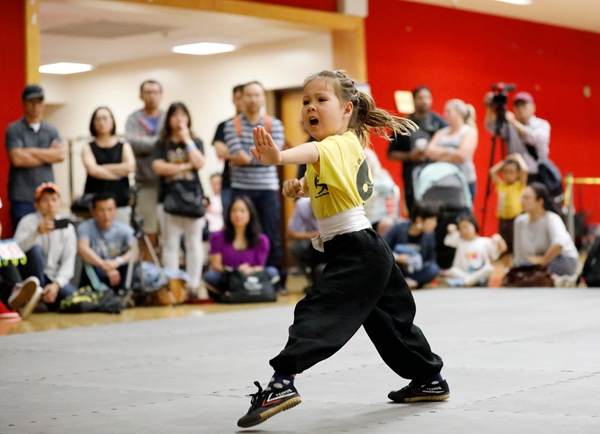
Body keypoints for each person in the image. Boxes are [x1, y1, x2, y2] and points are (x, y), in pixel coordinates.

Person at [236, 70, 448, 429]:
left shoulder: (338, 143)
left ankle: (282, 382)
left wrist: (278, 157)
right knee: (392, 322)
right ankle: (429, 380)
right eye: (306, 101)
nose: (310, 107)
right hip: (365, 249)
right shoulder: (342, 147)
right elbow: (327, 177)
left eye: (321, 100)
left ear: (347, 109)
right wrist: (300, 187)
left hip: (357, 250)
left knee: (317, 310)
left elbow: (315, 152)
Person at [223, 81, 286, 285]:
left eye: (257, 95)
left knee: (271, 233)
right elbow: (235, 153)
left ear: (263, 98)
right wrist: (261, 158)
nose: (252, 99)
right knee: (242, 234)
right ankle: (243, 278)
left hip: (267, 189)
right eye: (248, 95)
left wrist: (250, 159)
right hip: (242, 188)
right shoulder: (231, 125)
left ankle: (276, 279)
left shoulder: (274, 124)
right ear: (241, 99)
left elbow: (274, 156)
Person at [152, 102, 206, 297]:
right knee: (170, 244)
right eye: (175, 115)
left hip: (193, 198)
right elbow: (158, 167)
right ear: (169, 120)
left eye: (183, 115)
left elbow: (199, 162)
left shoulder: (196, 141)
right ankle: (173, 285)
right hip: (168, 199)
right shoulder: (162, 143)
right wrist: (185, 167)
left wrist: (186, 140)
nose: (179, 119)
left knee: (194, 243)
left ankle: (193, 286)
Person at [4, 84, 66, 230]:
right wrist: (48, 154)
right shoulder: (14, 129)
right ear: (23, 103)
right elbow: (17, 159)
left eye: (39, 102)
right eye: (31, 101)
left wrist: (30, 151)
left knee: (47, 236)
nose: (36, 106)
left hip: (47, 197)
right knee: (24, 238)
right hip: (22, 196)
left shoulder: (51, 130)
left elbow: (61, 155)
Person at [11, 182, 77, 315]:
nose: (50, 204)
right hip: (30, 277)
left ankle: (46, 297)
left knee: (73, 298)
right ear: (37, 204)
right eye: (45, 200)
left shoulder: (67, 228)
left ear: (60, 202)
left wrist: (56, 285)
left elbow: (68, 263)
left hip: (52, 278)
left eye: (54, 199)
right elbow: (14, 252)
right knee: (35, 250)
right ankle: (36, 296)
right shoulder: (27, 221)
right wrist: (36, 233)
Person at [204, 196, 279, 299]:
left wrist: (250, 270)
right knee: (210, 276)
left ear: (249, 214)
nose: (238, 214)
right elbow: (216, 265)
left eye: (242, 211)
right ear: (229, 214)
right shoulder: (217, 237)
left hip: (251, 276)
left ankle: (239, 293)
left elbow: (260, 266)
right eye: (234, 210)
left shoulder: (261, 240)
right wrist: (236, 271)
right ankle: (229, 293)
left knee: (272, 272)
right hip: (229, 277)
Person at [387, 86, 447, 216]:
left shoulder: (440, 123)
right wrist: (410, 156)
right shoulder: (403, 124)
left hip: (437, 176)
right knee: (415, 211)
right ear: (414, 100)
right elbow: (391, 154)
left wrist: (434, 153)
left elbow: (449, 148)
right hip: (411, 178)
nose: (424, 101)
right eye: (420, 97)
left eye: (427, 97)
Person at [513, 183, 579, 284]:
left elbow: (558, 245)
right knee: (520, 267)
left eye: (527, 198)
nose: (522, 201)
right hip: (536, 262)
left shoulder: (552, 219)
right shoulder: (519, 222)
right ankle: (554, 280)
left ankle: (556, 279)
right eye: (522, 197)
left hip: (561, 259)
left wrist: (543, 261)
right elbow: (519, 253)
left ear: (539, 202)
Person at [125, 80, 165, 243]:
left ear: (161, 95)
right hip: (144, 183)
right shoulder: (134, 119)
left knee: (166, 234)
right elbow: (132, 143)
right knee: (148, 233)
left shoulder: (167, 117)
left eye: (155, 92)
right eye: (148, 92)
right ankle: (149, 268)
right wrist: (158, 141)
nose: (152, 96)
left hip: (167, 185)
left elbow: (169, 143)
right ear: (141, 96)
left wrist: (145, 141)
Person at [83, 107, 135, 224]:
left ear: (112, 121)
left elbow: (129, 167)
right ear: (93, 123)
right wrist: (118, 175)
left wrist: (105, 167)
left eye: (105, 118)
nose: (102, 122)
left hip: (120, 199)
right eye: (98, 119)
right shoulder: (88, 147)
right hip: (96, 198)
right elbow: (93, 170)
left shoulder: (124, 145)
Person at [485, 91, 550, 183]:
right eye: (517, 105)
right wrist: (490, 109)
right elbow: (492, 127)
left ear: (533, 107)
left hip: (536, 175)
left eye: (524, 105)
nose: (520, 108)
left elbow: (534, 138)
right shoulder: (509, 126)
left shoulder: (541, 124)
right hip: (515, 177)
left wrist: (514, 122)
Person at [77, 193, 134, 293]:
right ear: (93, 212)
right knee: (88, 264)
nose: (106, 214)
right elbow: (82, 248)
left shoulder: (125, 230)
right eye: (101, 210)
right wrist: (104, 266)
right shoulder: (85, 227)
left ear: (115, 210)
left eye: (110, 209)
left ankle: (123, 293)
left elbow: (135, 252)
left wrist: (117, 262)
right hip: (96, 270)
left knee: (130, 265)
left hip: (117, 271)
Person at [425, 99, 478, 201]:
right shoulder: (441, 132)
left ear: (459, 113)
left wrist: (439, 155)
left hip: (464, 181)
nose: (445, 114)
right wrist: (452, 150)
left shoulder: (469, 131)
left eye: (448, 111)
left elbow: (462, 155)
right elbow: (429, 151)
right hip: (441, 181)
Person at [383, 202, 440, 289]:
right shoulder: (398, 228)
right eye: (432, 220)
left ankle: (408, 281)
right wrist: (398, 257)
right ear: (419, 220)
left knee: (433, 269)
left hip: (415, 270)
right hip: (396, 268)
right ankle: (404, 281)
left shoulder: (429, 235)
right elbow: (382, 249)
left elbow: (431, 259)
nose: (435, 224)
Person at [443, 214, 506, 287]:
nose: (464, 231)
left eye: (466, 227)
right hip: (463, 273)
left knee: (489, 269)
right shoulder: (459, 240)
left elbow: (503, 249)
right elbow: (450, 233)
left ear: (474, 226)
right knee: (452, 271)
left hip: (478, 273)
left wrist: (499, 239)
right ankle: (471, 282)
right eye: (461, 228)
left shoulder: (484, 241)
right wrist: (452, 229)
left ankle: (466, 282)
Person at [489, 153, 528, 266]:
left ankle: (518, 266)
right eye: (505, 172)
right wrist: (505, 162)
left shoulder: (519, 185)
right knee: (505, 246)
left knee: (516, 244)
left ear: (517, 174)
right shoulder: (501, 185)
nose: (507, 175)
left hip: (516, 219)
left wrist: (518, 158)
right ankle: (507, 268)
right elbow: (492, 171)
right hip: (503, 220)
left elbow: (524, 171)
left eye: (511, 172)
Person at [212, 84, 245, 215]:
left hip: (254, 183)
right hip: (229, 183)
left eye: (244, 97)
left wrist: (231, 154)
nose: (241, 101)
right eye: (238, 98)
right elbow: (219, 150)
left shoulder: (260, 124)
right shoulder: (224, 126)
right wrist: (243, 156)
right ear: (233, 100)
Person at [286, 197, 325, 289]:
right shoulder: (302, 205)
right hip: (313, 242)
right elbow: (290, 234)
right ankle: (313, 282)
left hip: (335, 240)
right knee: (295, 247)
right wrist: (314, 235)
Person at [363, 147, 397, 231]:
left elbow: (389, 186)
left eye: (367, 158)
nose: (364, 161)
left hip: (380, 218)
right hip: (363, 219)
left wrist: (366, 185)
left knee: (387, 223)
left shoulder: (382, 175)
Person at [204, 173, 224, 239]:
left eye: (218, 183)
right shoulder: (208, 199)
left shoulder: (226, 199)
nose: (216, 186)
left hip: (219, 228)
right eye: (213, 184)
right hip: (206, 227)